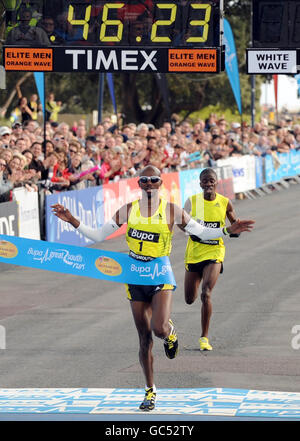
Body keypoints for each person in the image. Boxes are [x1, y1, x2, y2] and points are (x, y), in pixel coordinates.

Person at [51, 165, 254, 411]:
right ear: (139, 185)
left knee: (158, 328)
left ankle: (170, 334)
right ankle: (150, 391)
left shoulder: (171, 211)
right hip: (134, 274)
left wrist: (226, 230)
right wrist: (71, 219)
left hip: (159, 273)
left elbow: (199, 231)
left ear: (160, 184)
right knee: (144, 338)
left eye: (153, 180)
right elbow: (96, 235)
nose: (149, 184)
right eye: (144, 180)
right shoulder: (128, 210)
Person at [184, 168, 239, 351]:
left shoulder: (224, 203)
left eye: (211, 181)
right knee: (190, 299)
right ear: (200, 184)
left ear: (217, 182)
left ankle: (204, 338)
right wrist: (188, 229)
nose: (208, 184)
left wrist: (237, 229)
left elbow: (234, 224)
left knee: (206, 292)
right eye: (205, 181)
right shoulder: (192, 202)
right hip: (194, 254)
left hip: (215, 252)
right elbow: (182, 225)